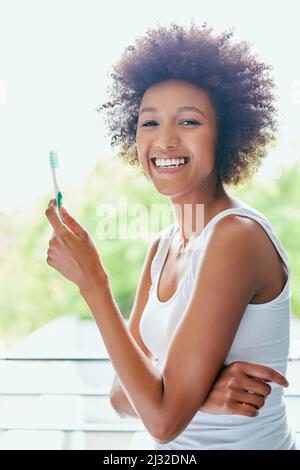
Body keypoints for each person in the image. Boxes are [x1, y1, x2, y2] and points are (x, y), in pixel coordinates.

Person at [46, 22, 297, 450]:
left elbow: (161, 421)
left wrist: (94, 282)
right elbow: (121, 397)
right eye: (149, 123)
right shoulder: (162, 247)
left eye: (189, 121)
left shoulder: (235, 236)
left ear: (226, 134)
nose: (164, 140)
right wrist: (199, 393)